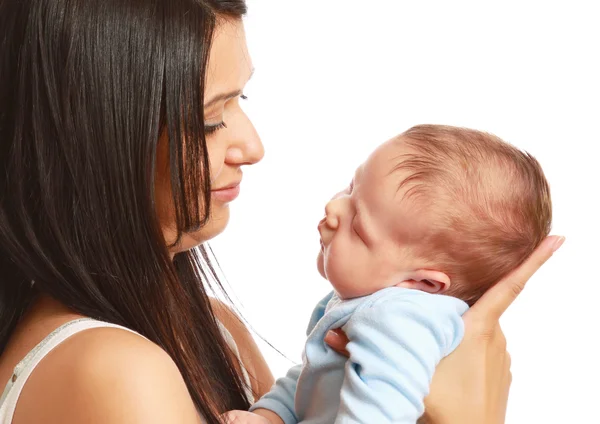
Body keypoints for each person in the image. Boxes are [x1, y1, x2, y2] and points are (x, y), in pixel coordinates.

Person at [0, 1, 564, 423]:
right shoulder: (117, 372)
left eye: (240, 100)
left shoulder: (213, 328)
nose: (252, 145)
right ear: (93, 137)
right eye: (211, 118)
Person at [225, 124, 553, 423]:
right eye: (350, 189)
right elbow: (317, 375)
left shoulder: (401, 316)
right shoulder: (370, 304)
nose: (334, 208)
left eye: (358, 227)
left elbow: (381, 412)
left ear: (422, 283)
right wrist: (271, 416)